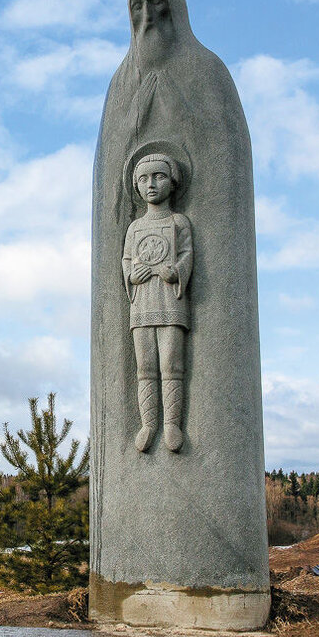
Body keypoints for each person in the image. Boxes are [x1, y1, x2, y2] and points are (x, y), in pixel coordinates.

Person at [123, 152, 192, 453]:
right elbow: (126, 260)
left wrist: (176, 270)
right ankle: (149, 424)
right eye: (143, 179)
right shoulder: (135, 228)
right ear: (136, 186)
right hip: (142, 304)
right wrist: (132, 273)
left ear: (173, 182)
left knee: (171, 364)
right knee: (145, 367)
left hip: (170, 300)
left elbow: (187, 255)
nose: (150, 184)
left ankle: (172, 424)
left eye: (158, 176)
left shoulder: (179, 222)